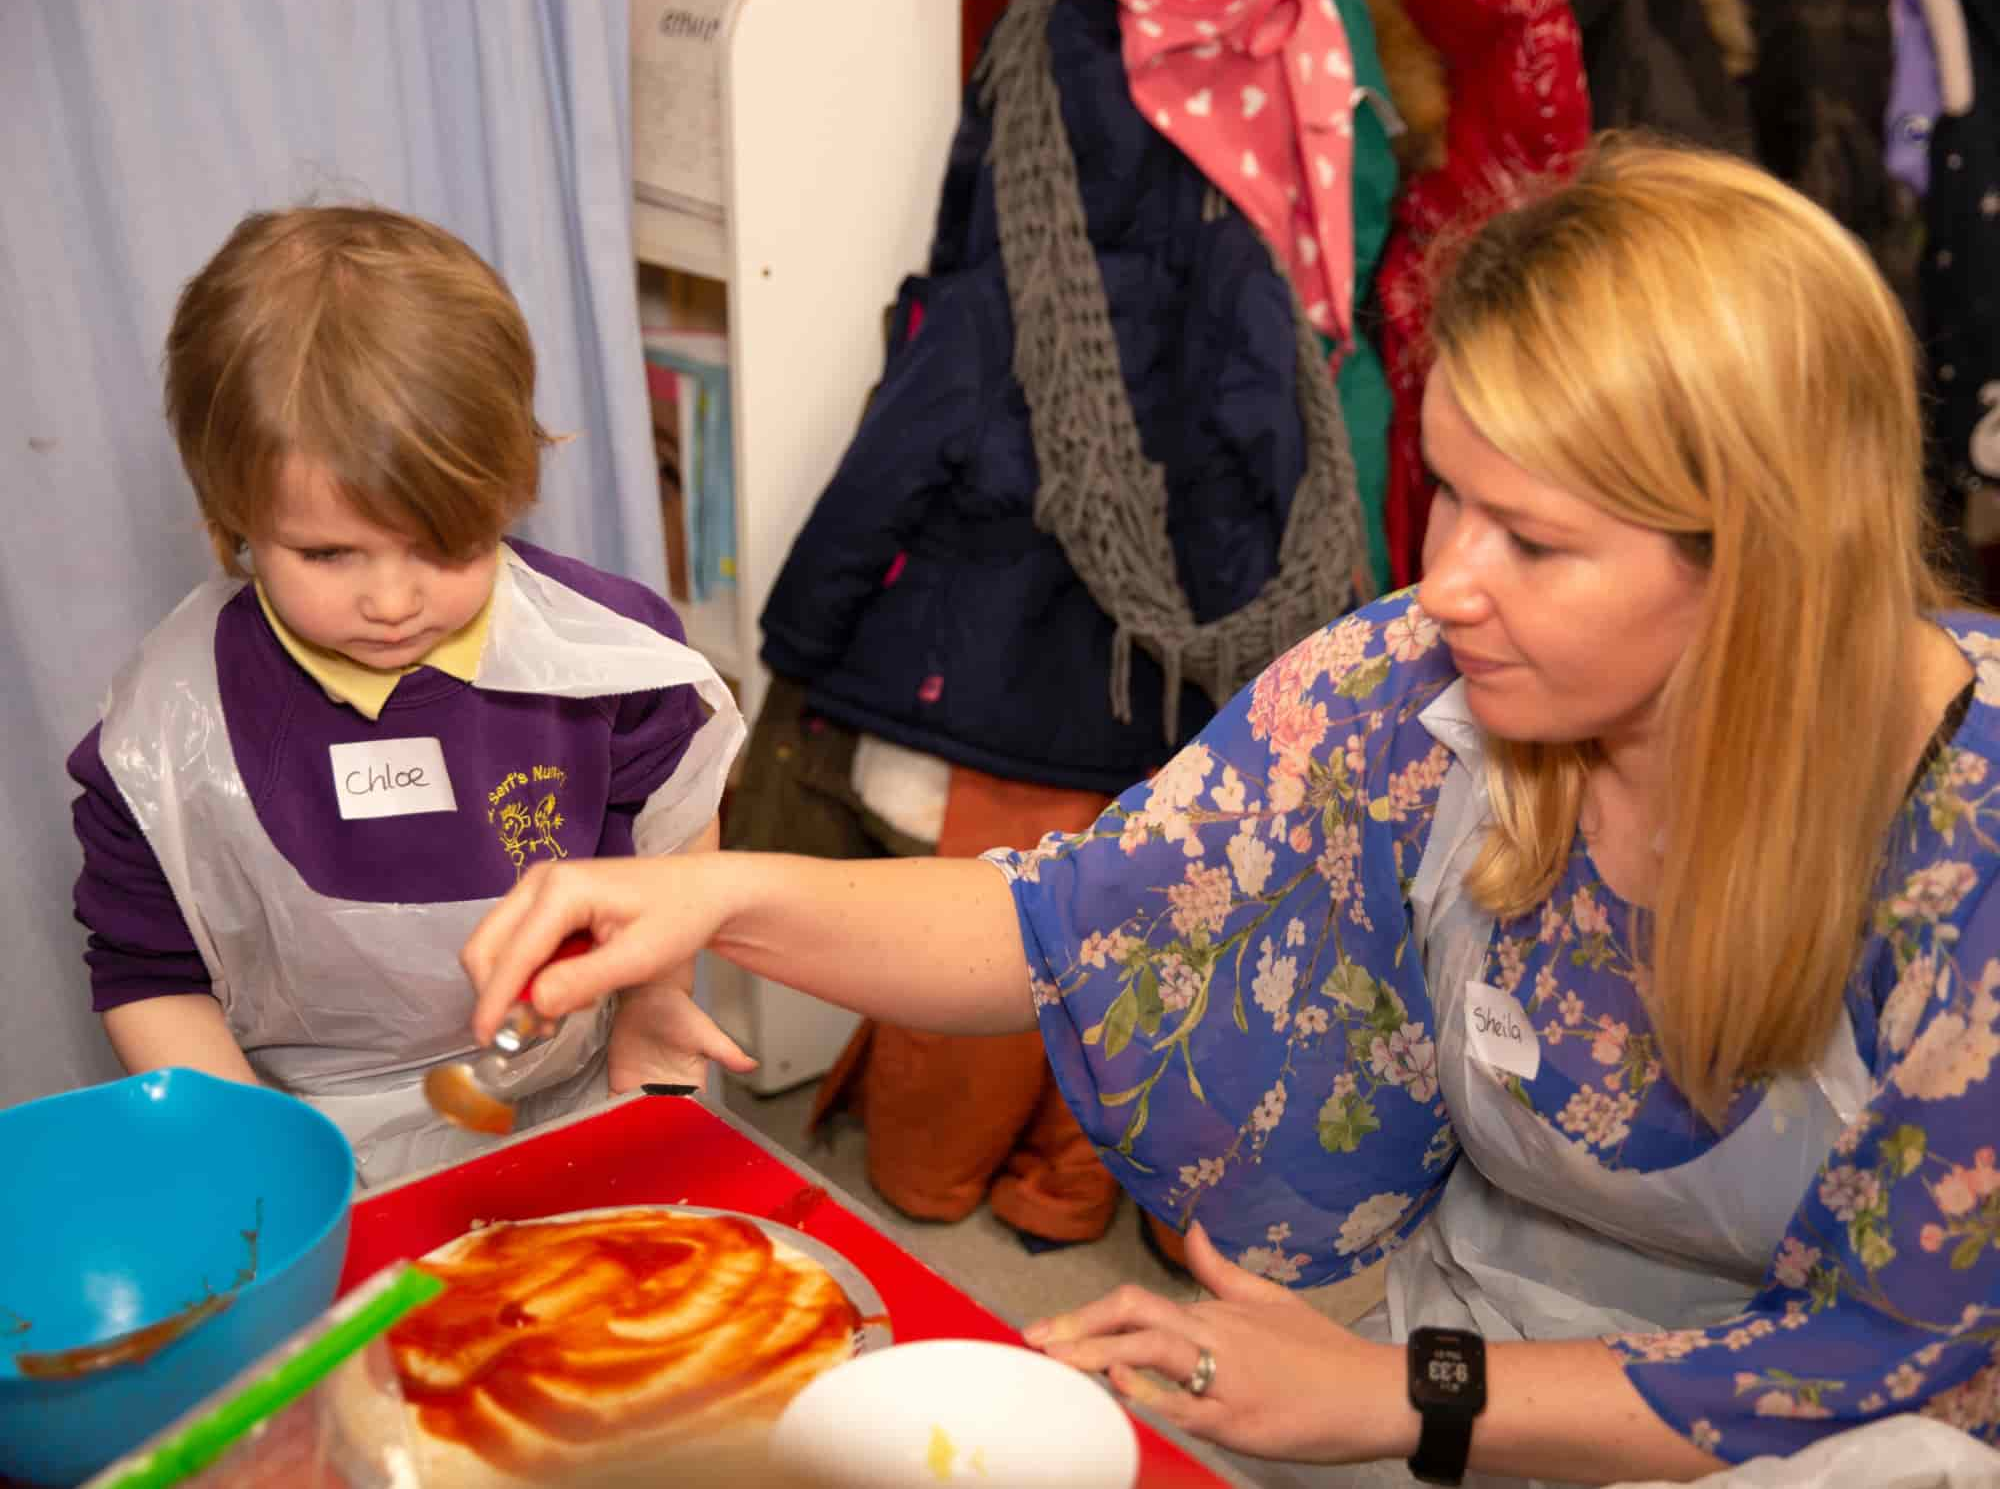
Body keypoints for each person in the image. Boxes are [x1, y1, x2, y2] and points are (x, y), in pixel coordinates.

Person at [459, 136, 2000, 1485]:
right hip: (1450, 1385)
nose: (1448, 582)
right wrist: (724, 899)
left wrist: (1410, 1397)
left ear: (1764, 560)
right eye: (1445, 493)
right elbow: (1076, 922)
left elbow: (1877, 1361)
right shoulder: (1417, 685)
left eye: (1532, 540)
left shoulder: (1972, 846)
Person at [66, 204, 751, 1188]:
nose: (391, 603)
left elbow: (671, 846)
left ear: (509, 483)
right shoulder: (162, 742)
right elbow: (147, 972)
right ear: (232, 514)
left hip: (590, 1078)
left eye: (444, 544)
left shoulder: (612, 658)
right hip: (324, 1140)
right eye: (328, 553)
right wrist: (271, 1166)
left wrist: (651, 998)